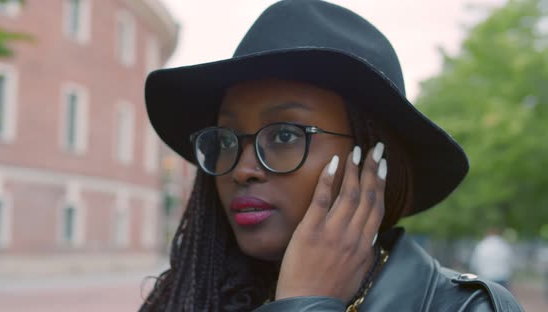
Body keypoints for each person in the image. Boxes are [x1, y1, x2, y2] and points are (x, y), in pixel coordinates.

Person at [140, 0, 523, 311]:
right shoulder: (188, 297)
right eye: (226, 141)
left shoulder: (465, 308)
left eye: (286, 134)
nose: (242, 169)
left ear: (374, 161)